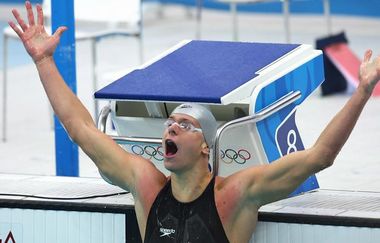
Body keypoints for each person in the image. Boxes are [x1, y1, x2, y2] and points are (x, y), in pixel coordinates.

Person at [8, 2, 380, 242]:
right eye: (170, 122)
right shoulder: (147, 186)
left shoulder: (234, 194)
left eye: (185, 124)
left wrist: (362, 91)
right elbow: (81, 129)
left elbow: (320, 156)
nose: (171, 127)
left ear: (207, 146)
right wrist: (44, 62)